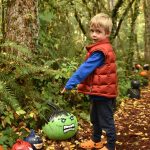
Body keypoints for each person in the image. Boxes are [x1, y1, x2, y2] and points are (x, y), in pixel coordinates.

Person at [61, 13, 117, 150]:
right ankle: (96, 140)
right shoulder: (100, 48)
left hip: (104, 93)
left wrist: (70, 83)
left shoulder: (100, 51)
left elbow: (84, 69)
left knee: (106, 121)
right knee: (95, 119)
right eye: (92, 31)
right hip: (98, 91)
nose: (94, 34)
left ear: (107, 33)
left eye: (98, 31)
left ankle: (111, 147)